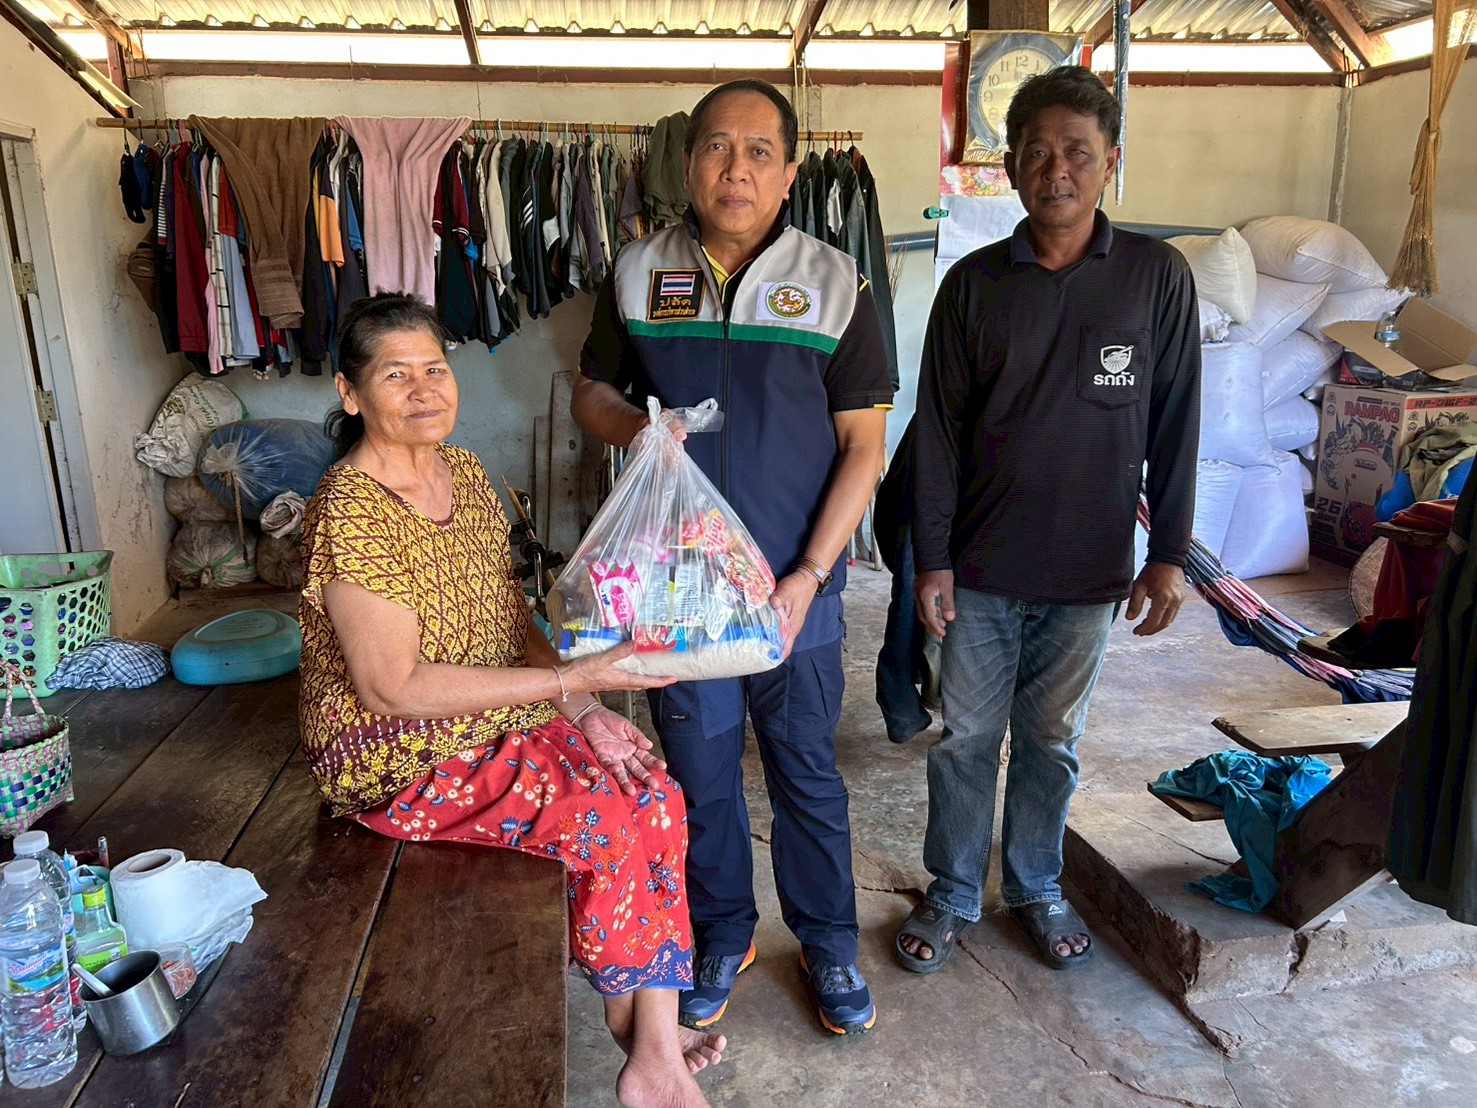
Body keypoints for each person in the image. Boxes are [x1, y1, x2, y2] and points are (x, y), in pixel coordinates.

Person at [298, 292, 724, 1108]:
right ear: (351, 394)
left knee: (654, 794)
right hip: (398, 752)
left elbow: (509, 617)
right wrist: (575, 682)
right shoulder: (350, 510)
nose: (424, 390)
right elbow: (391, 688)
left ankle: (649, 1037)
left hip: (494, 714)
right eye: (395, 375)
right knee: (599, 817)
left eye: (434, 369)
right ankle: (647, 1049)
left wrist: (586, 712)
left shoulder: (462, 472)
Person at [572, 80, 892, 1035]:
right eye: (717, 147)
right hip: (676, 591)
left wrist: (808, 577)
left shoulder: (837, 282)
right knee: (699, 776)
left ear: (790, 173)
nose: (736, 169)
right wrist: (636, 428)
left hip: (795, 588)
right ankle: (721, 933)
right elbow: (591, 391)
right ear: (688, 163)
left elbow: (863, 447)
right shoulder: (638, 271)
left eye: (758, 152)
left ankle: (828, 942)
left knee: (805, 773)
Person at [895, 67, 1201, 973]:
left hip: (1087, 569)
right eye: (1035, 152)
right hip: (980, 568)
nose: (1055, 169)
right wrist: (931, 559)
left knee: (1051, 741)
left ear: (1110, 161)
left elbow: (1176, 421)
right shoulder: (973, 285)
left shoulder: (1154, 277)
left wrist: (1168, 552)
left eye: (1076, 151)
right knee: (965, 740)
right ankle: (953, 890)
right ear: (1010, 167)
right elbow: (935, 432)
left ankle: (1034, 885)